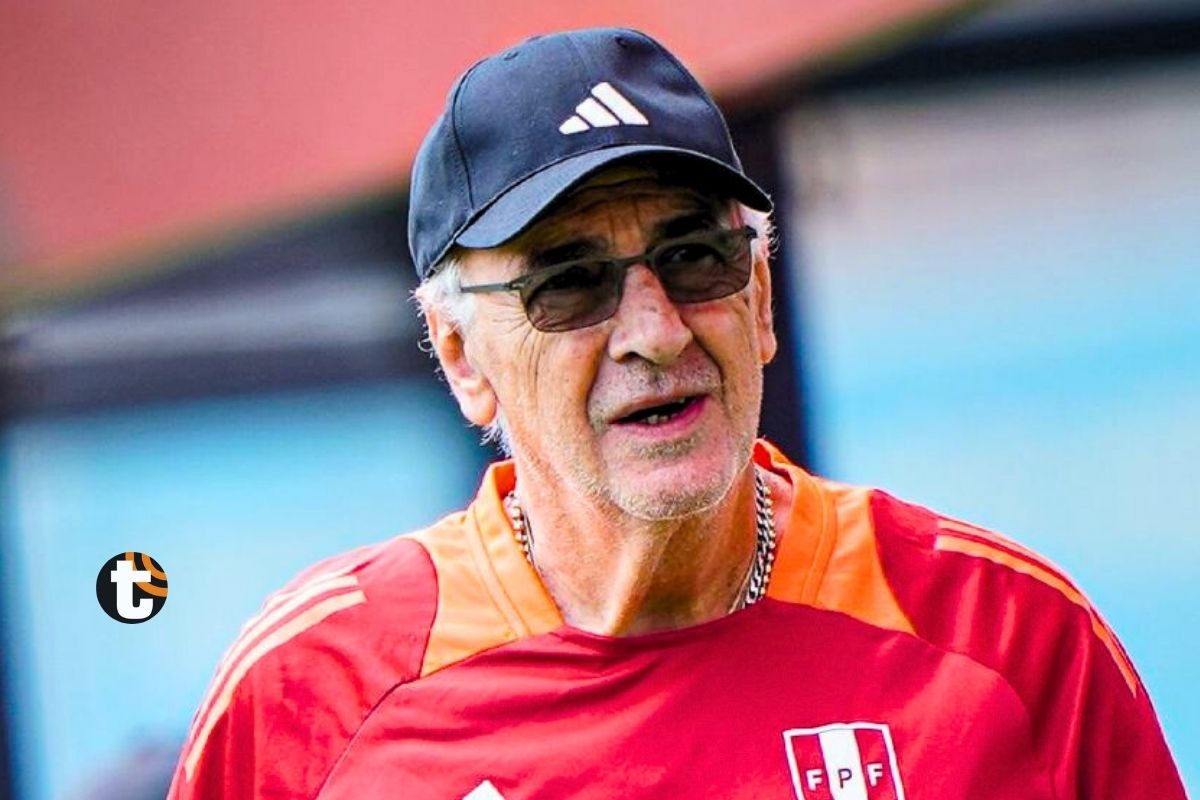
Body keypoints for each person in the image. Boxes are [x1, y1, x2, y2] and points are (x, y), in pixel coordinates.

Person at [168, 27, 1186, 799]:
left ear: (762, 300)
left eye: (697, 256)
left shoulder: (1008, 638)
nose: (654, 331)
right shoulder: (309, 694)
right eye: (568, 281)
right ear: (460, 358)